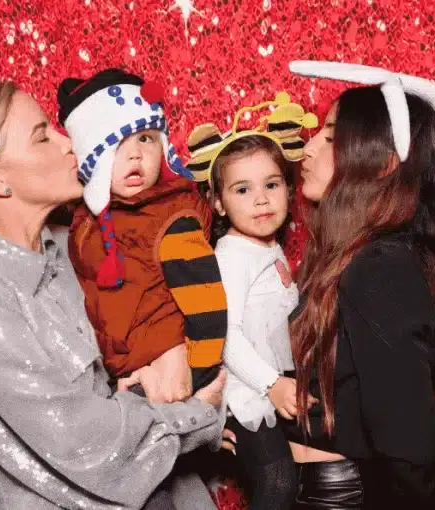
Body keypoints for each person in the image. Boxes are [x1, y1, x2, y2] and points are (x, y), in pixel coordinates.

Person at [0, 71, 226, 510]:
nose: (68, 144)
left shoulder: (77, 246)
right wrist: (200, 409)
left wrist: (159, 362)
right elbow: (82, 442)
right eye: (42, 136)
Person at [284, 61, 435, 509]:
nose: (307, 150)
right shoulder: (352, 260)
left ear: (383, 164)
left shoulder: (380, 270)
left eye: (330, 137)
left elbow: (408, 444)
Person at [58, 68, 227, 403]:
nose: (135, 154)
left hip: (170, 378)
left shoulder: (172, 220)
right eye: (117, 143)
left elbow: (207, 305)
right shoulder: (84, 221)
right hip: (117, 378)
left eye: (146, 139)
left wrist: (198, 379)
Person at [184, 92, 318, 510]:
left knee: (295, 481)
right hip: (249, 394)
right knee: (277, 485)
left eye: (271, 185)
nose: (261, 199)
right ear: (218, 202)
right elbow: (227, 336)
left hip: (277, 386)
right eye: (243, 189)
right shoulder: (230, 256)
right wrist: (272, 384)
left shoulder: (268, 249)